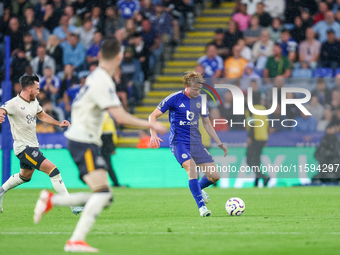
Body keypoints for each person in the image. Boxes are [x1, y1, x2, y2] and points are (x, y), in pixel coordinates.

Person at [33, 38, 167, 252]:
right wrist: (151, 123)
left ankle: (55, 207)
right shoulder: (103, 80)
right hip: (83, 140)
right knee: (103, 194)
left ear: (99, 55)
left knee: (104, 196)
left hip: (83, 139)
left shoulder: (95, 77)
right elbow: (119, 116)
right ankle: (72, 236)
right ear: (120, 57)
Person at [149, 71, 228, 217]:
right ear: (187, 86)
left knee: (215, 175)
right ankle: (202, 208)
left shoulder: (201, 101)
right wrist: (153, 134)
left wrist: (219, 142)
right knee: (192, 169)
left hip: (196, 143)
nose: (197, 92)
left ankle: (197, 188)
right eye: (195, 89)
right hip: (179, 142)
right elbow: (153, 115)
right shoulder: (174, 98)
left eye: (199, 89)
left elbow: (206, 123)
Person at [0, 75, 82, 215]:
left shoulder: (34, 101)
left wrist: (59, 123)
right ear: (28, 88)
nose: (39, 91)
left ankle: (1, 192)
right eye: (37, 89)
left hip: (33, 146)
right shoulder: (14, 103)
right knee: (54, 171)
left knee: (24, 176)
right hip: (24, 148)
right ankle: (72, 205)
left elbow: (42, 115)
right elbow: (3, 109)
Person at [245, 91, 270, 187]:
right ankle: (256, 182)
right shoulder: (263, 109)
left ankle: (263, 176)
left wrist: (249, 137)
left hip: (255, 137)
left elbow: (252, 123)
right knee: (257, 160)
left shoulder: (251, 109)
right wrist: (265, 139)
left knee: (249, 160)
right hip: (263, 137)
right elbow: (266, 124)